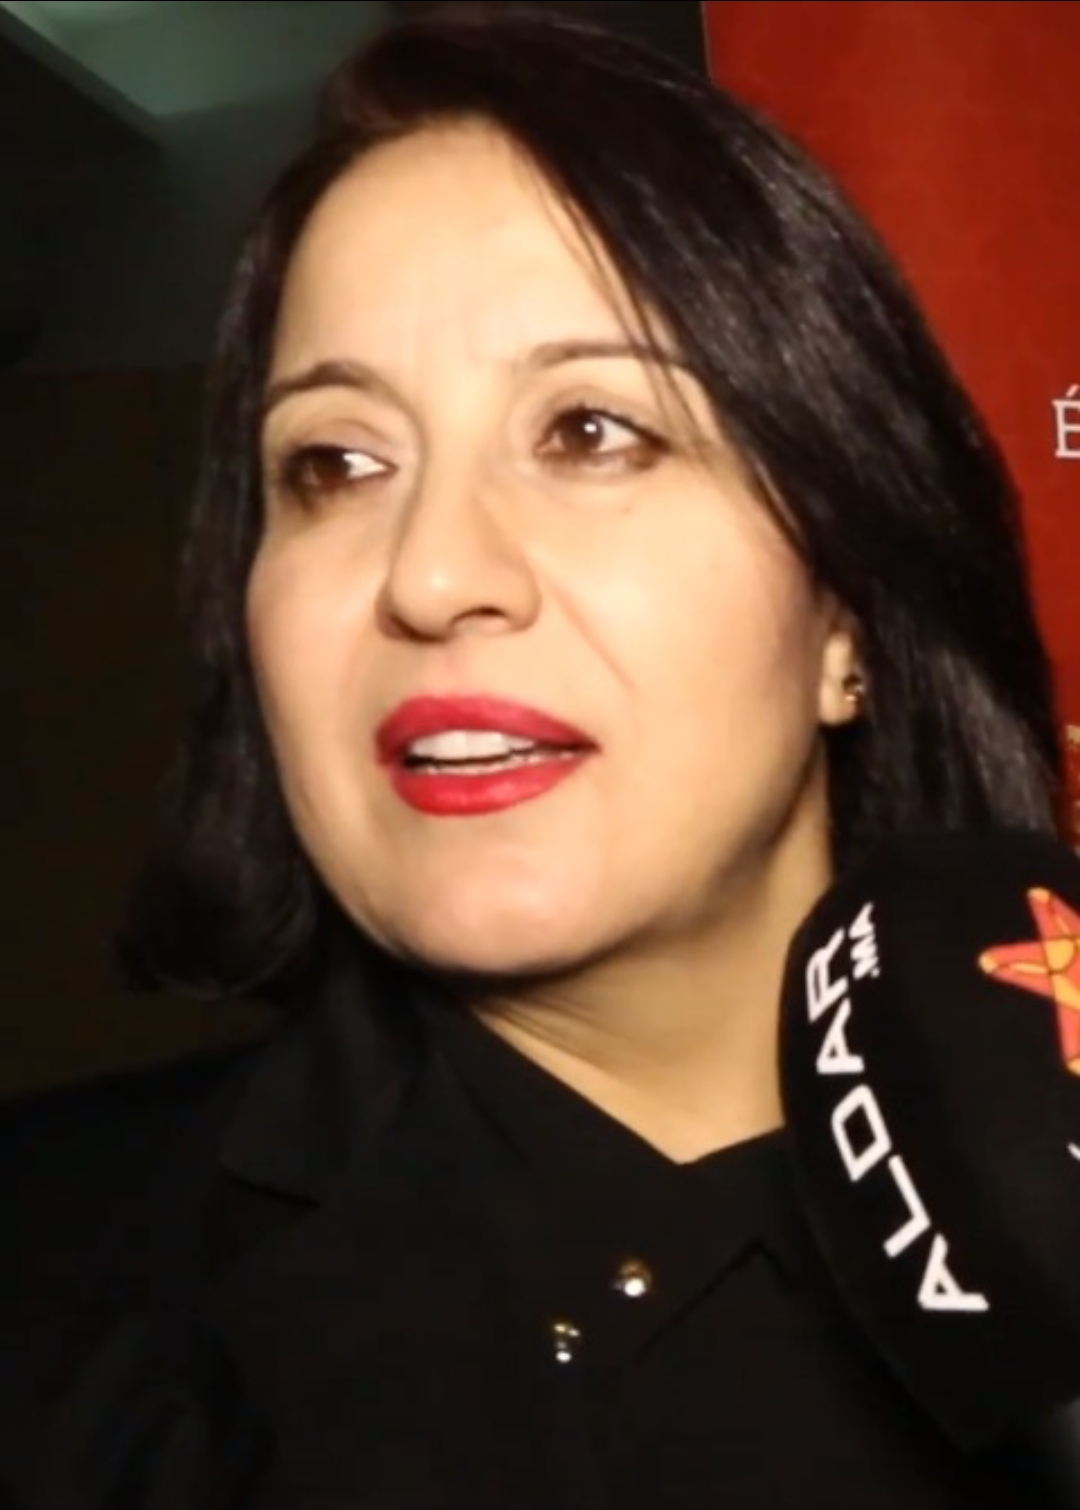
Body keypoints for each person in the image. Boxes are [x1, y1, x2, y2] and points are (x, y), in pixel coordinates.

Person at [1, 7, 1063, 1507]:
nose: (432, 575)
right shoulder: (49, 1300)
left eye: (592, 431)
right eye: (335, 462)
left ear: (848, 611)